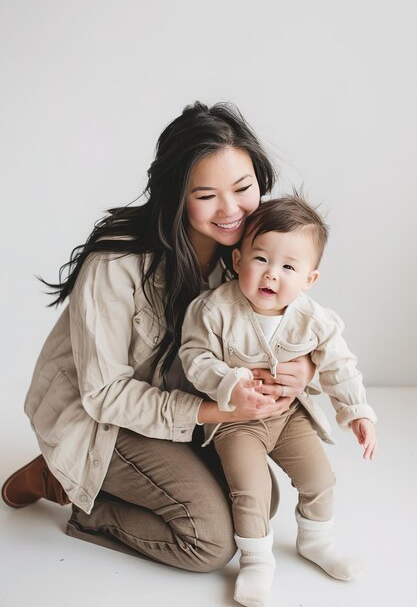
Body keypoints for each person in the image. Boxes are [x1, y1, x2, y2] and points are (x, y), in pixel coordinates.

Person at [1, 102, 315, 574]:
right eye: (207, 194)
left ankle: (105, 482)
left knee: (259, 502)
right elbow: (104, 395)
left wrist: (303, 368)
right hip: (100, 418)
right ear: (176, 195)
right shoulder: (116, 264)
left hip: (178, 409)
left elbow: (295, 323)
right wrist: (218, 411)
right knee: (209, 543)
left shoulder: (254, 251)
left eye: (243, 188)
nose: (231, 210)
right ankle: (62, 482)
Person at [179, 194, 378, 607]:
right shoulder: (214, 310)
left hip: (289, 416)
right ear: (237, 262)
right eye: (261, 259)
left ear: (309, 279)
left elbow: (339, 363)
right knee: (249, 491)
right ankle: (256, 560)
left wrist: (357, 412)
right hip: (236, 421)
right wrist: (229, 382)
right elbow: (194, 358)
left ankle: (316, 540)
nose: (272, 275)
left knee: (320, 479)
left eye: (289, 267)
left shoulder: (313, 318)